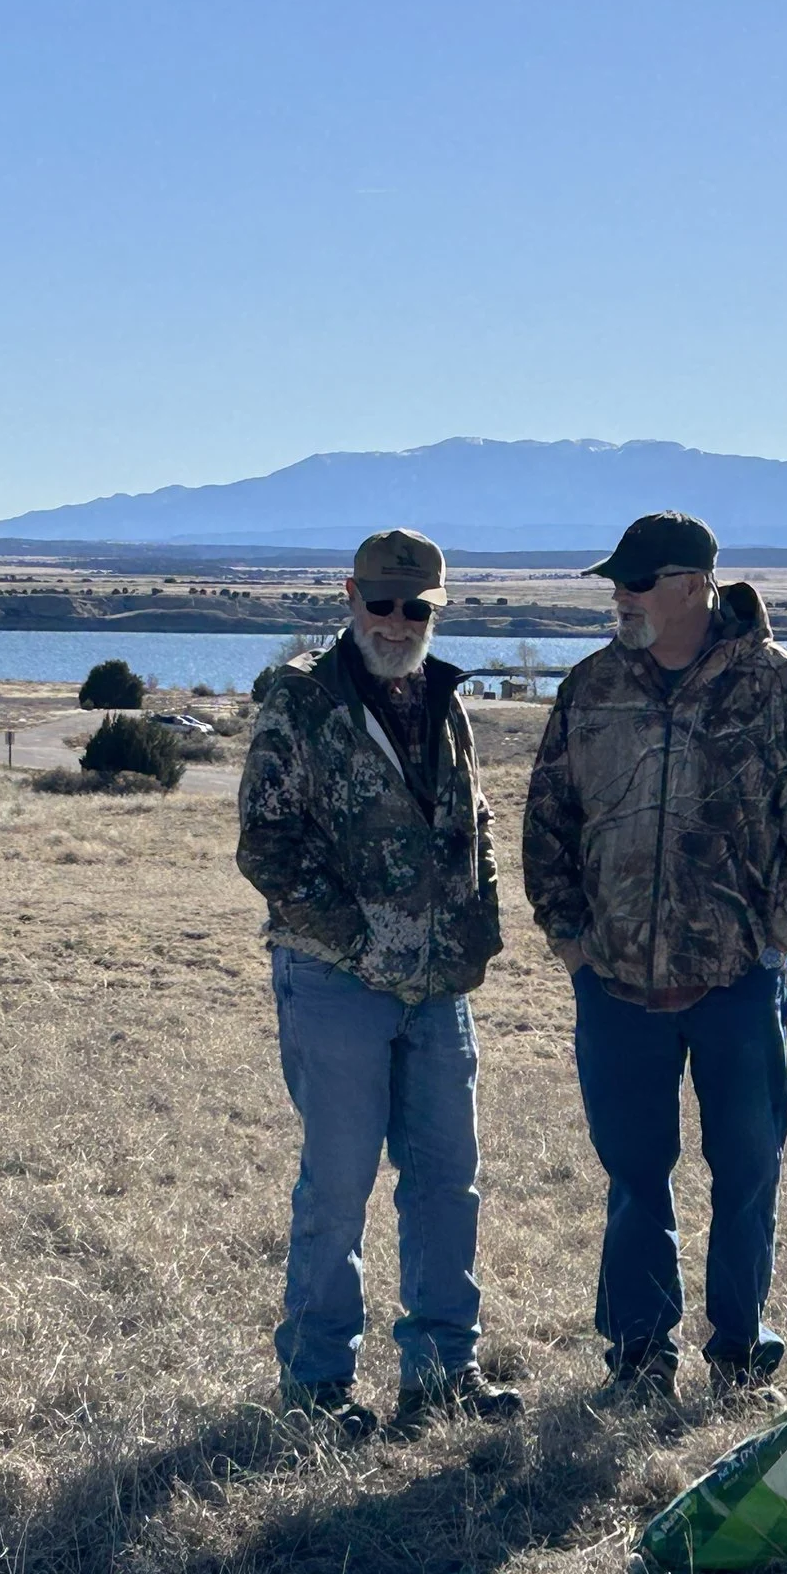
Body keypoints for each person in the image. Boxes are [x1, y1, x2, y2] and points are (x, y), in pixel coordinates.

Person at [524, 511, 787, 1405]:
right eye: (616, 582)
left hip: (738, 989)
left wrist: (767, 940)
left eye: (636, 582)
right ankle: (638, 1358)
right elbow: (547, 823)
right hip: (616, 986)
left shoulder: (775, 688)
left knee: (747, 1173)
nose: (620, 597)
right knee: (636, 1177)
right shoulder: (590, 689)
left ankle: (742, 1358)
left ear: (691, 586)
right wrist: (571, 941)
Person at [236, 528, 520, 1438]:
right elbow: (266, 847)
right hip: (335, 982)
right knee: (339, 1186)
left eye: (419, 608)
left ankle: (442, 1373)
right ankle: (317, 1386)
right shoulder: (301, 701)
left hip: (439, 988)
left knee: (447, 1183)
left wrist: (477, 928)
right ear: (350, 595)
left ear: (439, 609)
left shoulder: (445, 699)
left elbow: (470, 822)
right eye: (385, 603)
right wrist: (359, 939)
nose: (399, 623)